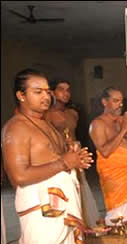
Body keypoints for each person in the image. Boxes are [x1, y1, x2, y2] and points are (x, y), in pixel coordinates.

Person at [1, 68, 93, 244]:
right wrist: (64, 163)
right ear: (21, 95)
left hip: (59, 207)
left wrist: (74, 158)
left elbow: (56, 157)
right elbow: (18, 175)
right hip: (41, 210)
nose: (46, 96)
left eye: (47, 91)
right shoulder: (16, 128)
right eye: (37, 91)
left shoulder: (46, 123)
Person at [90, 87, 127, 236]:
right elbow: (105, 152)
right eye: (115, 101)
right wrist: (122, 131)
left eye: (121, 101)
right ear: (104, 102)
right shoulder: (97, 124)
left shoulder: (124, 121)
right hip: (114, 178)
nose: (120, 105)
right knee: (117, 214)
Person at [45, 78, 100, 228]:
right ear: (52, 92)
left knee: (81, 191)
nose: (66, 93)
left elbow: (77, 135)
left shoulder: (73, 113)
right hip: (60, 158)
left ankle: (85, 229)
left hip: (76, 155)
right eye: (61, 89)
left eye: (68, 90)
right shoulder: (46, 115)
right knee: (67, 192)